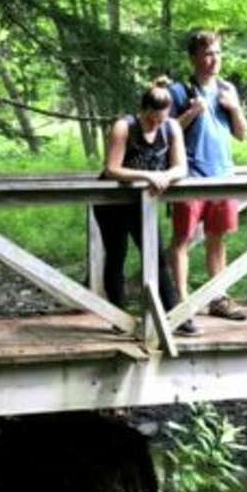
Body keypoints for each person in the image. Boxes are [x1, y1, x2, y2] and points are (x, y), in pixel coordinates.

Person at [95, 78, 196, 332]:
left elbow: (181, 167)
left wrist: (167, 176)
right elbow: (112, 169)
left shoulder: (171, 127)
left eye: (162, 118)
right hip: (112, 203)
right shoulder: (124, 126)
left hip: (143, 204)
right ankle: (119, 319)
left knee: (157, 256)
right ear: (144, 110)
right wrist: (149, 175)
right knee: (116, 255)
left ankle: (175, 317)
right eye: (153, 119)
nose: (157, 124)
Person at [169, 30, 247, 321]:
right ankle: (182, 303)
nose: (213, 59)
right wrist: (191, 113)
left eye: (217, 53)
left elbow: (242, 134)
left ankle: (219, 298)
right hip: (190, 177)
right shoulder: (179, 91)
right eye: (206, 53)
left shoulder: (228, 89)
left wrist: (236, 109)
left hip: (223, 175)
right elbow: (166, 133)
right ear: (193, 58)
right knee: (183, 239)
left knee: (217, 238)